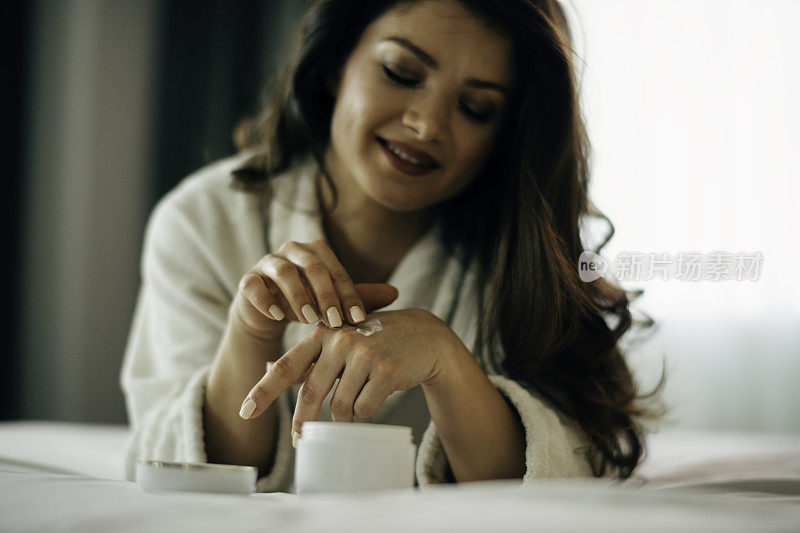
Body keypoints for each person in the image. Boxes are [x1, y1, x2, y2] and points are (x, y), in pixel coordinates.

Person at [121, 0, 661, 493]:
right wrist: (250, 333)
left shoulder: (522, 256)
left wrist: (447, 363)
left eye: (475, 107)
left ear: (507, 134)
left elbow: (571, 468)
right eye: (401, 73)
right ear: (336, 63)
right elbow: (177, 467)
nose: (426, 125)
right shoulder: (202, 220)